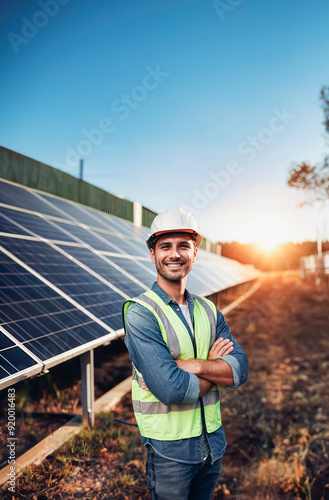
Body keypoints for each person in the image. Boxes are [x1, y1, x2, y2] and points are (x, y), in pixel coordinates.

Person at [123, 207, 248, 500]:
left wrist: (190, 365)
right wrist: (216, 368)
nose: (174, 254)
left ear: (195, 253)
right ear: (152, 254)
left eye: (183, 246)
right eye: (165, 246)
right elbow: (171, 389)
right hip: (170, 453)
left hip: (213, 445)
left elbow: (240, 369)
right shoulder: (141, 313)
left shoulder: (208, 309)